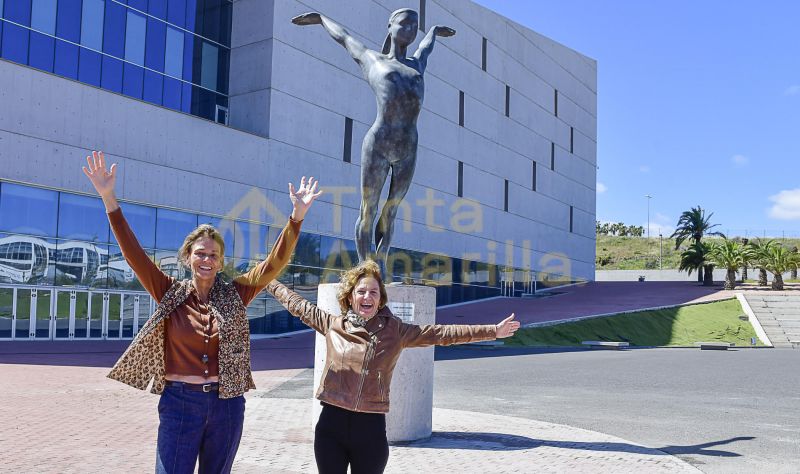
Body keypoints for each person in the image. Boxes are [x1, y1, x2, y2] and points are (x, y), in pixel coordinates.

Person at [82, 150, 322, 473]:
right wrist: (109, 198)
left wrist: (296, 217)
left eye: (213, 254)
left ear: (220, 261)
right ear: (188, 257)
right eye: (200, 253)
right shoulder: (170, 292)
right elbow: (134, 255)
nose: (206, 259)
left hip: (227, 406)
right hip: (180, 403)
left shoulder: (237, 293)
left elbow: (273, 264)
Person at [266, 260, 520, 473]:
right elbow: (298, 305)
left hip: (371, 428)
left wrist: (493, 331)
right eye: (361, 291)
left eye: (373, 292)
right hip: (331, 425)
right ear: (350, 297)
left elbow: (442, 333)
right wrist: (268, 280)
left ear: (380, 299)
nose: (367, 296)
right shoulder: (334, 325)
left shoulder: (395, 331)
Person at [292, 9, 454, 275]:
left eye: (415, 26)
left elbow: (427, 47)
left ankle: (380, 266)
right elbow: (344, 38)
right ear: (390, 26)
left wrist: (434, 31)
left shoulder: (417, 65)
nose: (410, 30)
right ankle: (365, 267)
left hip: (408, 147)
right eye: (404, 24)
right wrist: (321, 19)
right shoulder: (372, 60)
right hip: (378, 144)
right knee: (369, 209)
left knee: (391, 210)